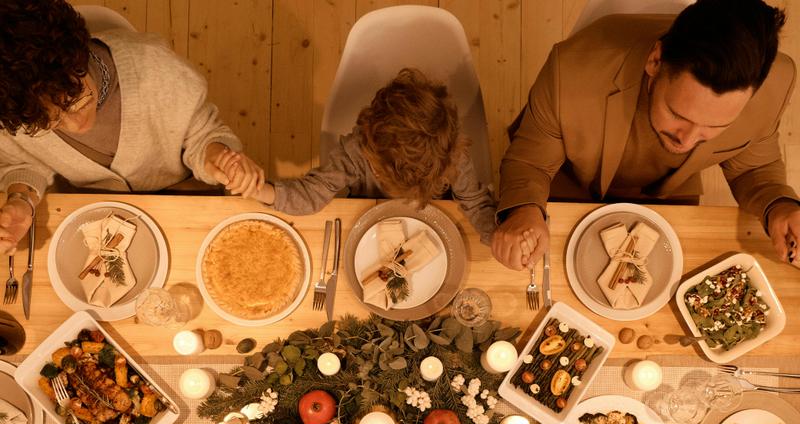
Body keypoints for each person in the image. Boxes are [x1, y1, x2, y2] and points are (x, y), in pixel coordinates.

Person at [493, 0, 800, 270]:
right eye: (678, 115)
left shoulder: (774, 84)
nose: (687, 141)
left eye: (716, 126)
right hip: (568, 181)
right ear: (656, 60)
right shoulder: (570, 71)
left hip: (670, 196)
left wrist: (780, 206)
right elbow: (530, 163)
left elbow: (753, 167)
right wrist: (524, 209)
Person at [0, 0, 264, 257]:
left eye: (76, 101)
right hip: (91, 214)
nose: (76, 125)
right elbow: (23, 162)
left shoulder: (156, 68)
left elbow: (202, 134)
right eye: (51, 122)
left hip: (183, 195)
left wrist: (217, 155)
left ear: (79, 56)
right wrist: (21, 199)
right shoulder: (17, 110)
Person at [213, 68, 497, 244]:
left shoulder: (453, 155)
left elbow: (475, 204)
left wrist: (496, 236)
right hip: (367, 222)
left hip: (437, 227)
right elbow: (312, 193)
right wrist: (260, 190)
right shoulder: (358, 149)